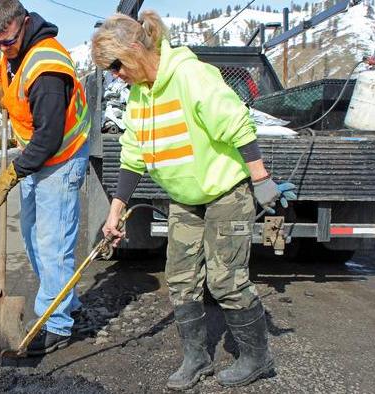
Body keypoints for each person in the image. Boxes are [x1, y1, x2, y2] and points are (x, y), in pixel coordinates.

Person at [92, 10, 296, 390]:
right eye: (110, 70)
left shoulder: (190, 75)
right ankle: (196, 357)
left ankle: (257, 358)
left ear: (136, 48)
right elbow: (132, 155)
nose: (116, 74)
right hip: (186, 199)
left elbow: (235, 121)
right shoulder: (139, 96)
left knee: (226, 280)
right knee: (181, 278)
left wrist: (261, 178)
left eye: (116, 65)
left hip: (225, 193)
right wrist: (114, 212)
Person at [0, 0, 90, 355]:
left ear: (25, 24)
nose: (3, 48)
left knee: (53, 246)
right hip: (37, 158)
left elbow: (48, 137)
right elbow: (14, 87)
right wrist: (3, 91)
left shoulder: (47, 68)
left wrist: (15, 171)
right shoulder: (12, 52)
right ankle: (67, 301)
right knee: (33, 240)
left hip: (60, 159)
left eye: (9, 42)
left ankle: (56, 324)